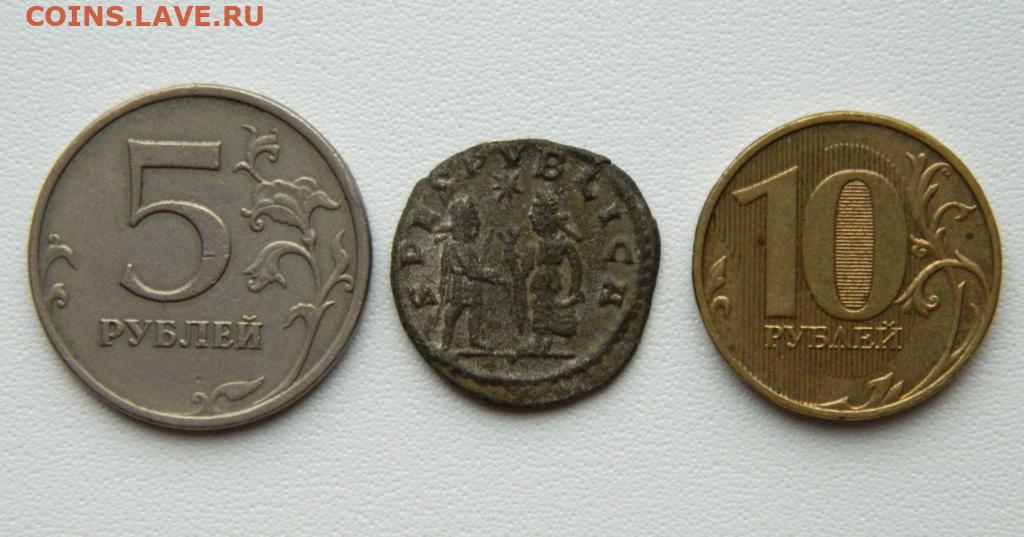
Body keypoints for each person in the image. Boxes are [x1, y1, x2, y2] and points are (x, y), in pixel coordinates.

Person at [438, 196, 508, 350]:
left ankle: (471, 338)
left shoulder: (460, 246)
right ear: (463, 226)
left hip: (469, 285)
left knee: (473, 310)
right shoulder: (459, 247)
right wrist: (491, 275)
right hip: (462, 285)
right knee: (455, 311)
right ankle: (447, 341)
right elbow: (471, 271)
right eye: (473, 227)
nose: (476, 231)